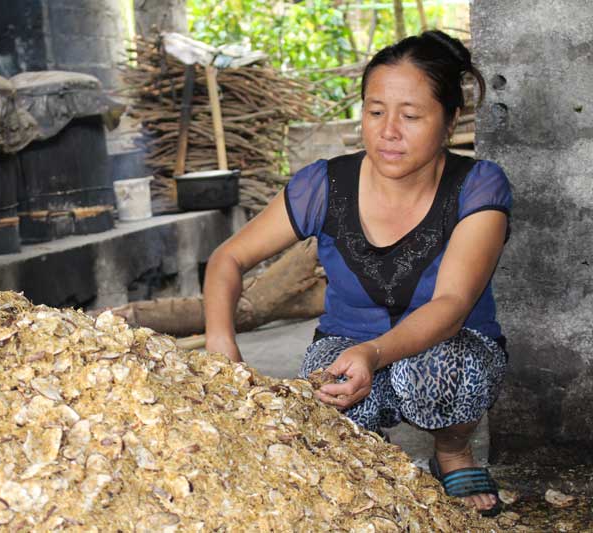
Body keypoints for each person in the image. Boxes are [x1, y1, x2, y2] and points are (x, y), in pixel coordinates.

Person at [202, 30, 510, 517]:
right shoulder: (324, 184)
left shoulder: (477, 186)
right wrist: (221, 344)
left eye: (410, 116)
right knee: (325, 396)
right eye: (374, 111)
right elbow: (227, 259)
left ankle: (452, 452)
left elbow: (451, 305)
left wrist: (373, 352)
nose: (388, 131)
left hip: (446, 345)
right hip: (346, 345)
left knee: (435, 370)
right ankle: (370, 461)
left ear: (450, 120)